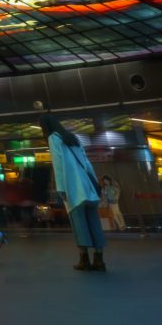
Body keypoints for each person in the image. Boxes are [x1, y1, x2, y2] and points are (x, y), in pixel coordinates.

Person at [42, 114, 106, 272]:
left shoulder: (53, 138)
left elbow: (58, 164)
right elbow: (86, 162)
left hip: (74, 188)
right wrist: (94, 184)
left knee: (79, 225)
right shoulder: (72, 137)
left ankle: (84, 260)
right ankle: (99, 260)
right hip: (89, 188)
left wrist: (61, 189)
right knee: (94, 223)